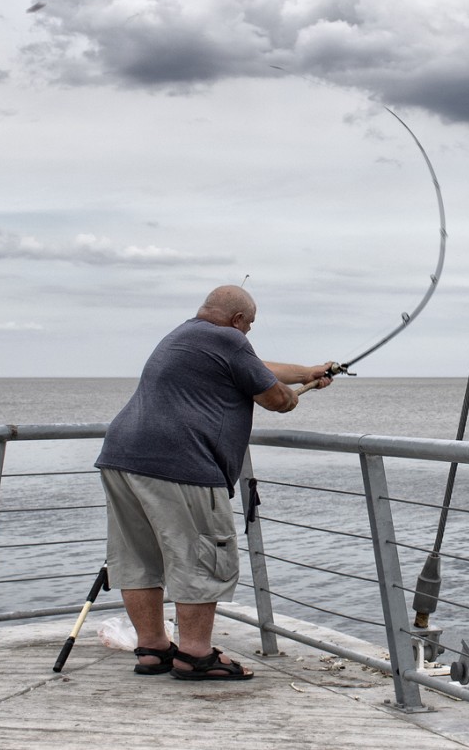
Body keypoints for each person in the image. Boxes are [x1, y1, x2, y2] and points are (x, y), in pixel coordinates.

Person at [95, 284, 334, 681]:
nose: (249, 333)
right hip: (181, 463)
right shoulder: (229, 339)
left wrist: (307, 373)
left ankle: (153, 648)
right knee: (203, 557)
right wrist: (294, 396)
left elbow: (255, 367)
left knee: (137, 558)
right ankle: (195, 655)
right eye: (250, 324)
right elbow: (275, 397)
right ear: (238, 319)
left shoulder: (186, 335)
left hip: (122, 457)